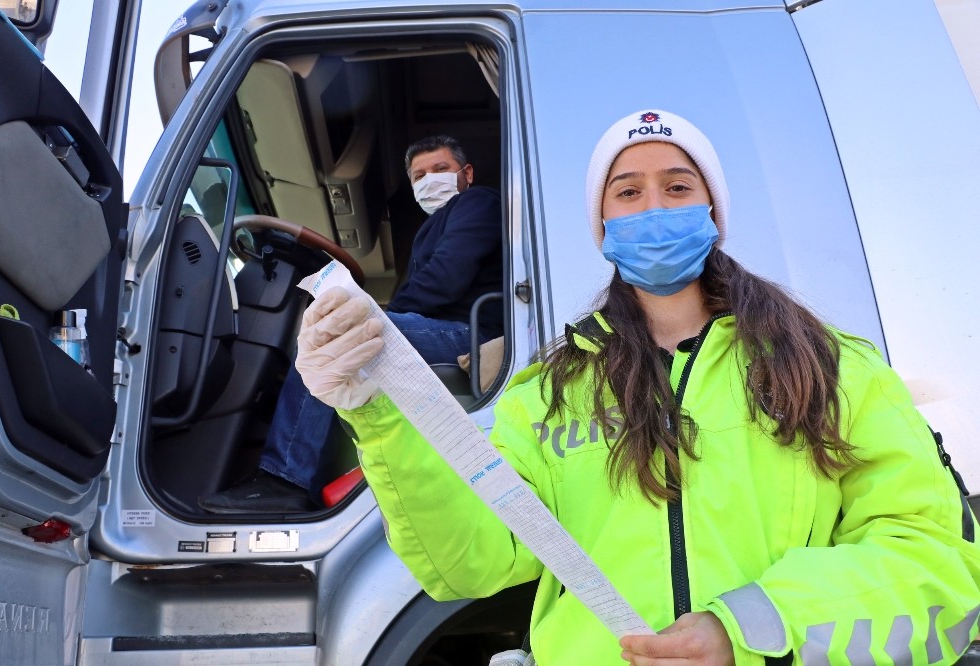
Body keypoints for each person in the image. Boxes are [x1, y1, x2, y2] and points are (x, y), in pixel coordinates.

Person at [294, 108, 980, 664]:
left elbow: (934, 564)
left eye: (678, 187)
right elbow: (473, 563)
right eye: (627, 192)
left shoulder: (833, 370)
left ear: (712, 210)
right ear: (604, 227)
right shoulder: (549, 395)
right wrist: (378, 413)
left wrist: (750, 628)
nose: (653, 207)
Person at [198, 135, 503, 513]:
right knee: (340, 330)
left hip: (471, 335)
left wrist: (369, 315)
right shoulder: (434, 227)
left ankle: (285, 480)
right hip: (445, 329)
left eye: (441, 170)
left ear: (467, 173)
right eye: (419, 176)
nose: (430, 180)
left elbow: (446, 277)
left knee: (335, 334)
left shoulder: (478, 202)